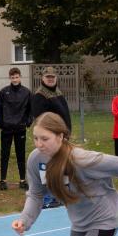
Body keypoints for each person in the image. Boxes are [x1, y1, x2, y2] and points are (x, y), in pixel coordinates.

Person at [32, 66, 72, 207]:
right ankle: (48, 198)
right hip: (49, 139)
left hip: (61, 136)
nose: (50, 79)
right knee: (47, 167)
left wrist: (66, 133)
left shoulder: (57, 92)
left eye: (52, 77)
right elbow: (40, 120)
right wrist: (49, 138)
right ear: (42, 78)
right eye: (47, 77)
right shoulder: (40, 95)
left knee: (61, 166)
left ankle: (60, 194)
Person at [0, 67, 32, 191]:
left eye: (16, 77)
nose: (15, 79)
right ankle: (3, 181)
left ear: (20, 77)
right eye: (12, 77)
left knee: (21, 155)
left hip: (20, 128)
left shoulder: (27, 92)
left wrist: (28, 122)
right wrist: (1, 124)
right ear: (9, 78)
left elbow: (31, 109)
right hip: (7, 129)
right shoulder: (4, 92)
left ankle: (22, 180)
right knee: (5, 155)